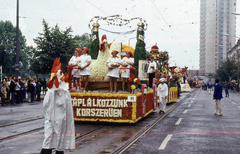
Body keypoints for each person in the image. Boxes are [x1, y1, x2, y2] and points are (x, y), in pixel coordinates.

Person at [40, 58, 75, 154]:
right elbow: (45, 105)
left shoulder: (65, 92)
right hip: (50, 119)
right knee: (47, 140)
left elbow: (68, 110)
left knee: (60, 141)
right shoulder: (50, 92)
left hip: (60, 121)